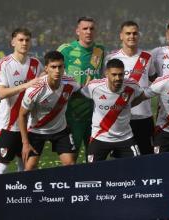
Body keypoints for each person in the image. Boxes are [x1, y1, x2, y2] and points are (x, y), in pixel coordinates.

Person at [19, 51, 80, 170]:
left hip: (60, 130)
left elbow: (82, 89)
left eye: (60, 67)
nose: (57, 70)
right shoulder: (34, 90)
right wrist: (25, 144)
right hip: (37, 131)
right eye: (53, 67)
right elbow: (22, 115)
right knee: (30, 167)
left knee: (70, 165)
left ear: (64, 67)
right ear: (46, 68)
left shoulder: (71, 83)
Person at [0, 28, 43, 175]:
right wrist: (26, 85)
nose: (24, 43)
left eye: (27, 40)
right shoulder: (3, 64)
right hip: (8, 125)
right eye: (21, 40)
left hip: (28, 125)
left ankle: (22, 198)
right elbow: (1, 93)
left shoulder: (36, 64)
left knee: (26, 168)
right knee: (1, 168)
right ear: (13, 42)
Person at [104, 21, 156, 155]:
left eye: (135, 33)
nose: (131, 36)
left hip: (144, 117)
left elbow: (153, 79)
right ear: (121, 36)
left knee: (147, 157)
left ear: (139, 35)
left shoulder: (147, 57)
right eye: (128, 33)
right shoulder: (111, 58)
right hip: (121, 118)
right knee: (122, 160)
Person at [58, 16, 105, 162]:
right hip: (72, 114)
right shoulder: (65, 50)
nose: (88, 31)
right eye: (85, 28)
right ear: (77, 31)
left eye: (92, 28)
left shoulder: (99, 51)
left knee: (95, 158)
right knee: (71, 159)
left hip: (95, 114)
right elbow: (52, 74)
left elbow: (101, 75)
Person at [81, 59, 142, 162]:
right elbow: (80, 92)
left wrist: (128, 104)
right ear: (106, 73)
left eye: (121, 74)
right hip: (100, 137)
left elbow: (142, 96)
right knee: (92, 172)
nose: (118, 78)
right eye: (114, 74)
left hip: (125, 137)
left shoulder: (132, 86)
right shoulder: (93, 87)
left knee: (136, 168)